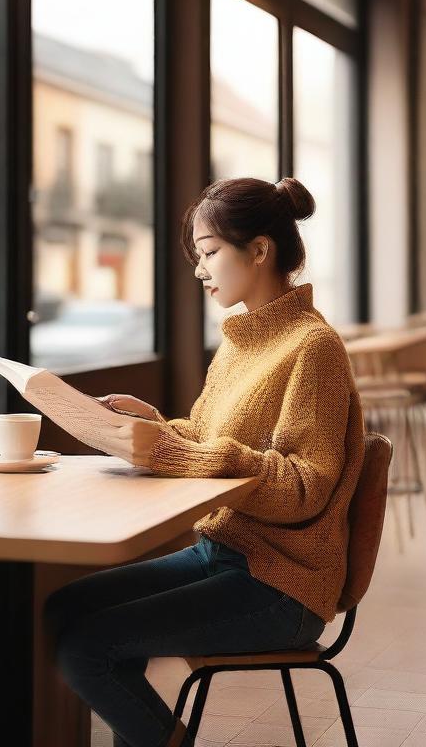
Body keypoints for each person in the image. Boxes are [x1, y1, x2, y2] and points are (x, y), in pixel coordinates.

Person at [44, 176, 365, 747]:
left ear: (260, 250)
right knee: (62, 608)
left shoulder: (312, 347)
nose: (200, 268)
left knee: (86, 645)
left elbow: (304, 487)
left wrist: (181, 451)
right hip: (224, 555)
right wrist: (157, 426)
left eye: (211, 252)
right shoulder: (244, 340)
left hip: (283, 583)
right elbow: (208, 438)